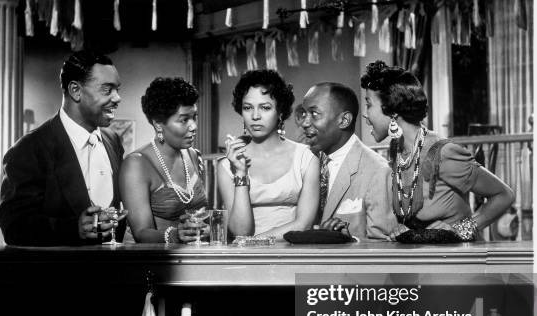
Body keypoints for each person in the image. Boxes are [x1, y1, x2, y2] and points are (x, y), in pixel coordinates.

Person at [360, 60, 515, 240]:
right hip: (426, 259)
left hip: (461, 260)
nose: (365, 113)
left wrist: (460, 230)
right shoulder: (398, 151)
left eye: (369, 104)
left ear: (392, 110)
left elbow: (504, 195)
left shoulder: (443, 153)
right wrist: (404, 230)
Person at [0, 50, 125, 246]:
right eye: (107, 90)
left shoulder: (113, 141)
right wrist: (73, 229)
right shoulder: (29, 149)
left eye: (118, 89)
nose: (117, 98)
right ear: (75, 90)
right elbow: (14, 226)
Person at [219, 69, 319, 239]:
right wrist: (241, 173)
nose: (255, 116)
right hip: (246, 259)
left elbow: (304, 224)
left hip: (294, 253)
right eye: (248, 108)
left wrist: (255, 244)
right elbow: (241, 232)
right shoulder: (227, 165)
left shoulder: (305, 158)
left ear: (280, 112)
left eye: (265, 108)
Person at [301, 82, 397, 240]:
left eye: (314, 114)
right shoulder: (305, 161)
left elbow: (384, 244)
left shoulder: (377, 170)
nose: (305, 123)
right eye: (304, 114)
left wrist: (348, 240)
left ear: (344, 120)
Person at [120, 77, 208, 243]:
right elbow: (141, 232)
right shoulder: (136, 164)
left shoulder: (193, 155)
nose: (194, 126)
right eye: (184, 120)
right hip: (154, 261)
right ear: (159, 124)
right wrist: (175, 235)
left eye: (194, 117)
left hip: (193, 257)